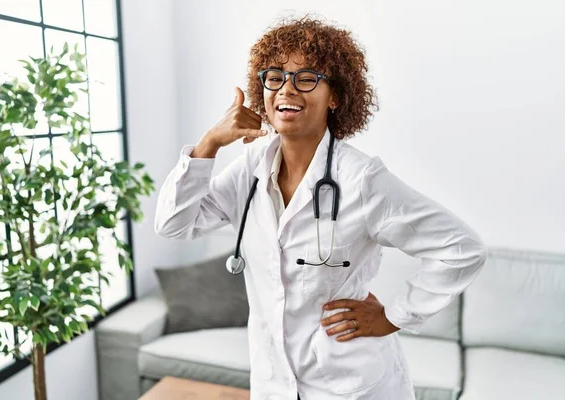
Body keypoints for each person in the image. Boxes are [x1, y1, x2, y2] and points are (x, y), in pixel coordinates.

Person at [155, 17, 486, 400]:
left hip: (350, 385)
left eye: (307, 78)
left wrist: (394, 317)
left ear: (335, 96)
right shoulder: (250, 168)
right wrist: (209, 143)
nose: (287, 89)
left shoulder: (362, 180)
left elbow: (462, 249)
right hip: (274, 383)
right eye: (275, 76)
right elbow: (175, 225)